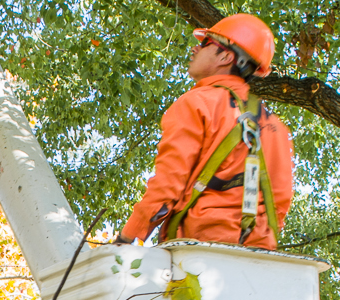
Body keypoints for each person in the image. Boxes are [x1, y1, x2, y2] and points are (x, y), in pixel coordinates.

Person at [118, 14, 294, 249]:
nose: (195, 48)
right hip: (258, 256)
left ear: (226, 56)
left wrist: (125, 240)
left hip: (197, 250)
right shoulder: (276, 127)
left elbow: (167, 187)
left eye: (205, 44)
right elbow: (280, 202)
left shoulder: (197, 104)